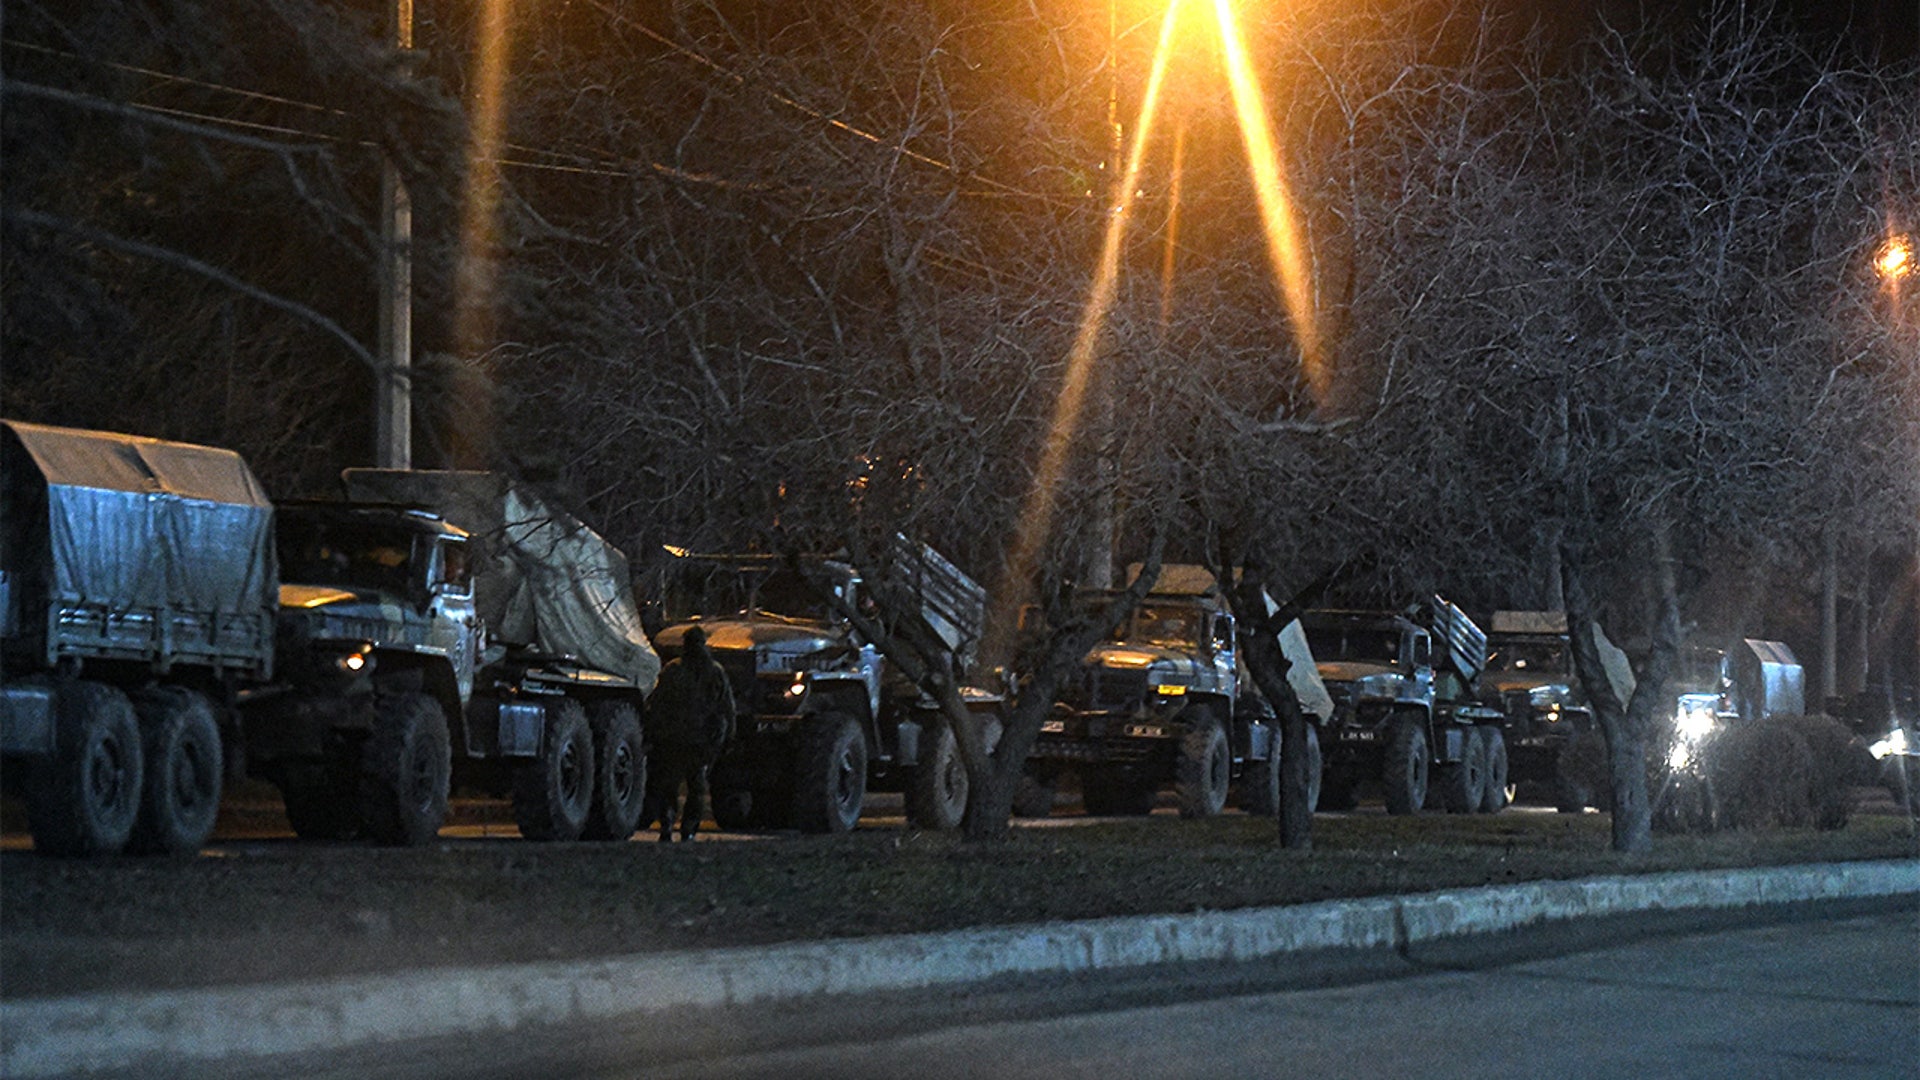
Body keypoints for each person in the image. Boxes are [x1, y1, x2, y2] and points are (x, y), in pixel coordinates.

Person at [643, 625, 736, 842]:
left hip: (674, 739)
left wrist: (651, 733)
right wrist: (728, 736)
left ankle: (667, 824)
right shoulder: (715, 671)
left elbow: (656, 704)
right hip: (700, 741)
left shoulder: (673, 670)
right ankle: (688, 829)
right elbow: (727, 708)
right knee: (696, 786)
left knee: (670, 786)